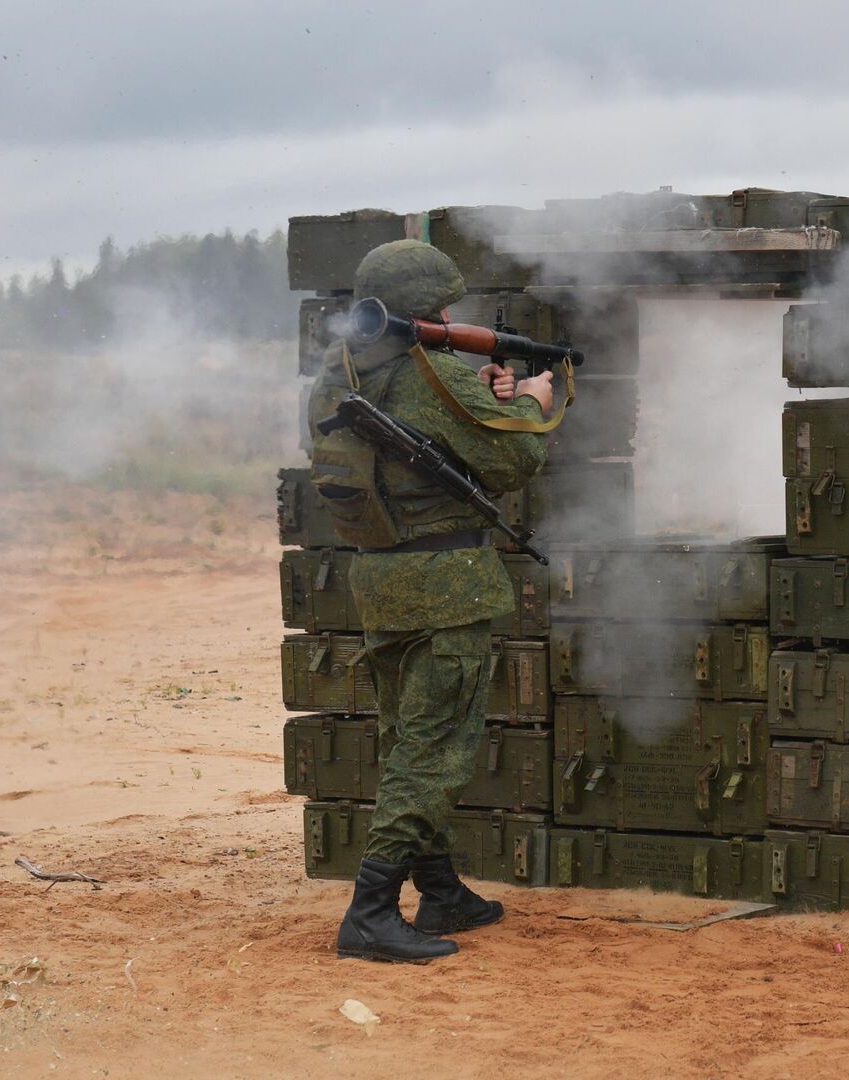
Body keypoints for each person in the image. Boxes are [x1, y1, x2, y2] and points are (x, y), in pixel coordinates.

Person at [306, 239, 560, 963]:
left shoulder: (338, 375)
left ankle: (440, 889)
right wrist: (535, 402)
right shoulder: (432, 375)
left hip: (382, 582)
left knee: (407, 740)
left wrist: (486, 400)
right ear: (430, 310)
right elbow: (515, 458)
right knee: (434, 752)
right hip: (444, 589)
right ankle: (371, 911)